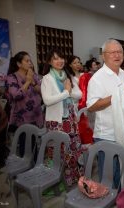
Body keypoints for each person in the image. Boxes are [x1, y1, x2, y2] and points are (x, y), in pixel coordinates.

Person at [86, 39, 124, 188]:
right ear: (104, 56)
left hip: (123, 132)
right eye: (112, 52)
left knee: (121, 172)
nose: (117, 55)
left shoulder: (122, 74)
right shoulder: (97, 78)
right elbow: (92, 106)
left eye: (119, 52)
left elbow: (123, 97)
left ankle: (120, 198)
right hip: (107, 134)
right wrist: (115, 96)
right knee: (108, 176)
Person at [41, 49, 83, 187]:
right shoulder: (47, 78)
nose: (59, 61)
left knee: (72, 149)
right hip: (56, 121)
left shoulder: (67, 75)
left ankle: (73, 178)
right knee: (58, 151)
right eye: (55, 58)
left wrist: (68, 92)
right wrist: (66, 92)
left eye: (61, 58)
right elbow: (47, 100)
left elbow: (79, 94)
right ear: (49, 62)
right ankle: (56, 181)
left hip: (70, 118)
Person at [5, 51, 43, 155]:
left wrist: (33, 81)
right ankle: (25, 169)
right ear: (19, 64)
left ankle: (34, 167)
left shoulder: (33, 75)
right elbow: (16, 95)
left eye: (30, 60)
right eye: (27, 61)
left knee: (35, 146)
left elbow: (41, 91)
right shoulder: (11, 78)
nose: (30, 63)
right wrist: (27, 82)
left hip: (35, 116)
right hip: (22, 119)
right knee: (25, 148)